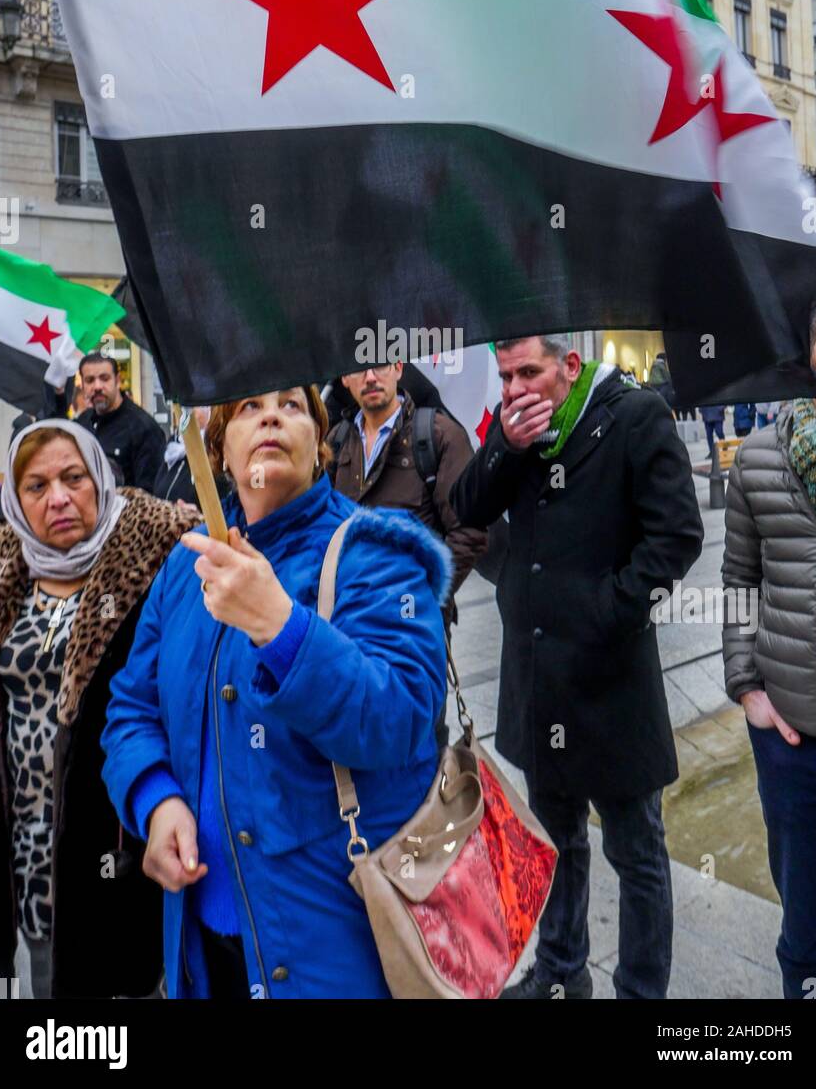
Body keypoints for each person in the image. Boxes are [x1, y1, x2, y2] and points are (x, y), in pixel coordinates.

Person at [101, 385, 449, 1000]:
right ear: (221, 451)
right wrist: (155, 800)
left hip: (333, 949)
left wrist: (280, 625)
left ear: (319, 445)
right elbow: (131, 707)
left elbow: (402, 718)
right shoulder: (185, 567)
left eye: (292, 405)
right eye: (247, 408)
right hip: (204, 951)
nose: (269, 414)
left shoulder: (375, 549)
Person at [451, 335, 703, 1000]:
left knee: (637, 852)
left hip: (612, 685)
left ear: (570, 366)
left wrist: (611, 609)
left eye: (528, 372)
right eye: (505, 376)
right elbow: (467, 506)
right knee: (555, 839)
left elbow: (677, 534)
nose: (515, 388)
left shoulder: (634, 415)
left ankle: (641, 992)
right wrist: (505, 442)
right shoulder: (517, 430)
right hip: (538, 682)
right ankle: (562, 974)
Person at [0, 419, 198, 998]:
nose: (59, 498)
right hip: (24, 843)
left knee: (123, 981)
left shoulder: (159, 559)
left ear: (100, 478)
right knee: (46, 982)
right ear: (15, 500)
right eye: (37, 486)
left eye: (74, 478)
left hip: (120, 838)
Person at [722, 288, 816, 1000]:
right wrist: (747, 687)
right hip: (793, 748)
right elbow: (739, 579)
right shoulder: (762, 460)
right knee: (807, 935)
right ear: (809, 362)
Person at [326, 361, 487, 745]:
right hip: (349, 630)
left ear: (398, 368)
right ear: (344, 380)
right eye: (357, 369)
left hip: (415, 633)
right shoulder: (335, 443)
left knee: (421, 743)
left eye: (379, 364)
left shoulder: (438, 437)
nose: (370, 377)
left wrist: (420, 601)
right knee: (362, 742)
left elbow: (470, 533)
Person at [76, 352, 166, 493]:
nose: (97, 386)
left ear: (117, 381)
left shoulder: (144, 428)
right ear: (82, 385)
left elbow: (150, 495)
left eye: (104, 378)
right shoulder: (82, 423)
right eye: (90, 380)